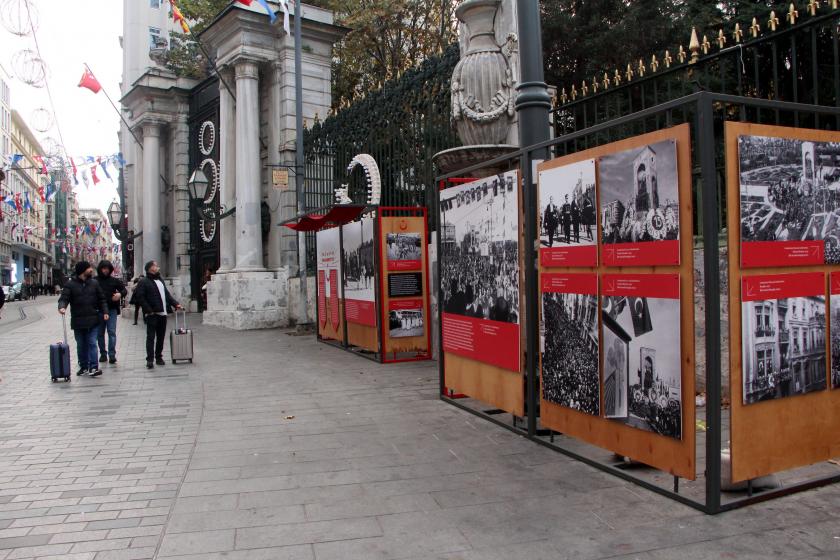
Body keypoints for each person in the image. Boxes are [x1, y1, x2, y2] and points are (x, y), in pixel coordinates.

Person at [58, 261, 108, 377]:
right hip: (78, 321)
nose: (91, 269)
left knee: (92, 343)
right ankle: (84, 367)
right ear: (82, 270)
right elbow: (64, 298)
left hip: (93, 319)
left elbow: (102, 299)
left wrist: (105, 311)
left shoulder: (94, 283)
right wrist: (62, 307)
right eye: (89, 268)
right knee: (81, 345)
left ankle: (94, 367)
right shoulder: (70, 284)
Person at [134, 260, 182, 369]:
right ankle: (149, 360)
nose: (157, 267)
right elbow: (140, 297)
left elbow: (166, 294)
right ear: (150, 268)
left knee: (161, 337)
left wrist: (176, 304)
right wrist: (148, 310)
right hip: (152, 314)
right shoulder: (144, 281)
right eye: (155, 265)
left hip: (162, 313)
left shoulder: (160, 280)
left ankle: (159, 357)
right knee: (150, 337)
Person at [96, 260, 127, 364]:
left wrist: (120, 295)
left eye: (107, 268)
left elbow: (124, 290)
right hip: (98, 310)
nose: (105, 270)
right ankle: (103, 354)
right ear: (100, 269)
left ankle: (112, 354)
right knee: (99, 333)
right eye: (104, 268)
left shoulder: (114, 281)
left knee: (111, 332)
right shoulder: (94, 281)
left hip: (112, 309)